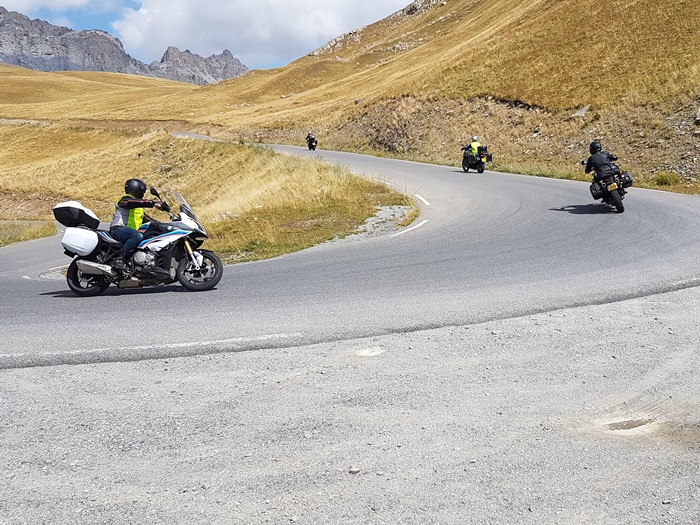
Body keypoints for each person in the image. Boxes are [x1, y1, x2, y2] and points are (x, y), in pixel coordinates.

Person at [109, 178, 167, 270]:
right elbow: (132, 203)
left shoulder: (138, 207)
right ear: (136, 189)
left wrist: (163, 225)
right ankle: (120, 259)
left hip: (130, 233)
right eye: (142, 191)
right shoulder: (125, 200)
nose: (143, 193)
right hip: (118, 229)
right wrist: (152, 203)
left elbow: (147, 219)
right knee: (137, 236)